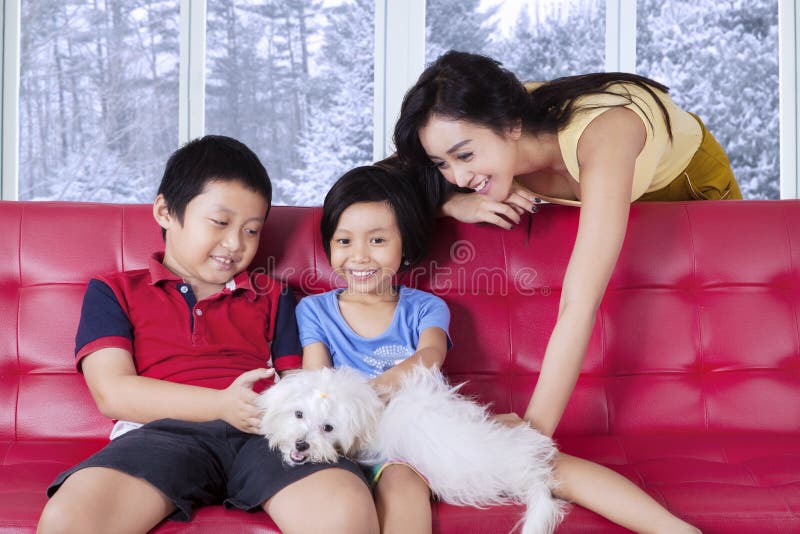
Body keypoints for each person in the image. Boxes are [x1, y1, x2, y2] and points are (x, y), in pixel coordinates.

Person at [299, 164, 699, 534]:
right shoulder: (315, 309)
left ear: (406, 246)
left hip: (432, 428)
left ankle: (674, 529)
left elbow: (430, 356)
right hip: (365, 441)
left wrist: (377, 390)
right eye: (344, 241)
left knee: (545, 462)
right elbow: (318, 385)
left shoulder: (423, 307)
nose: (360, 255)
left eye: (378, 240)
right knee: (402, 484)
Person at [37, 135, 378, 534]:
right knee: (71, 519)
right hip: (161, 433)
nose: (235, 244)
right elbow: (112, 393)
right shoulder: (115, 291)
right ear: (166, 211)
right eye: (219, 222)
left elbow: (298, 387)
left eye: (252, 231)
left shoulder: (273, 295)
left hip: (265, 434)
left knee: (346, 509)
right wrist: (220, 404)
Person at [393, 50, 743, 439]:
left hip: (687, 184)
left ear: (511, 126)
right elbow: (378, 181)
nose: (457, 174)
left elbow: (579, 303)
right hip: (602, 185)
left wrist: (531, 433)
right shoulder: (481, 129)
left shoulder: (605, 136)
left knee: (716, 325)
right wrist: (452, 201)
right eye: (442, 164)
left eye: (465, 155)